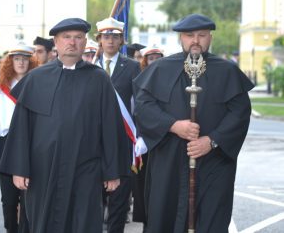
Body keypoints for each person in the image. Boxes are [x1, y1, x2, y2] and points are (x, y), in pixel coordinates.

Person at [0, 18, 130, 233]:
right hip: (43, 171)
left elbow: (111, 126)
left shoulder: (99, 79)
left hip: (85, 169)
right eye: (66, 37)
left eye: (78, 37)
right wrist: (19, 169)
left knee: (83, 223)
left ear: (85, 41)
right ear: (56, 43)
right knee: (44, 223)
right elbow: (22, 128)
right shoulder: (36, 79)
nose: (72, 42)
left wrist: (112, 171)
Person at [133, 14, 254, 233]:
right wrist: (173, 125)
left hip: (214, 163)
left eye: (202, 35)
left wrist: (212, 140)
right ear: (181, 38)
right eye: (190, 35)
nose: (196, 40)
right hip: (168, 161)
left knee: (211, 220)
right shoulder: (160, 68)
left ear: (210, 37)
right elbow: (143, 107)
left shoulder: (226, 70)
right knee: (165, 218)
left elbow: (240, 113)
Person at [0, 43, 38, 233]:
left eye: (25, 59)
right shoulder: (2, 89)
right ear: (10, 62)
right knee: (8, 201)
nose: (21, 62)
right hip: (7, 144)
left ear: (30, 62)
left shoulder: (37, 86)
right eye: (17, 59)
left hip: (30, 145)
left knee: (27, 201)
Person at [95, 17, 141, 233]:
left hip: (123, 141)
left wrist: (140, 135)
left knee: (119, 202)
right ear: (99, 40)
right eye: (106, 36)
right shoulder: (89, 67)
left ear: (121, 40)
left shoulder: (132, 67)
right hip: (94, 143)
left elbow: (140, 104)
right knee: (94, 202)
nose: (110, 41)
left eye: (115, 37)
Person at [132, 45, 164, 233]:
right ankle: (146, 224)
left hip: (162, 140)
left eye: (157, 57)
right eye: (150, 58)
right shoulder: (139, 80)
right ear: (145, 61)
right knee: (143, 186)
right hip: (143, 140)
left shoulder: (169, 79)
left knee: (160, 185)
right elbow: (138, 109)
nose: (154, 61)